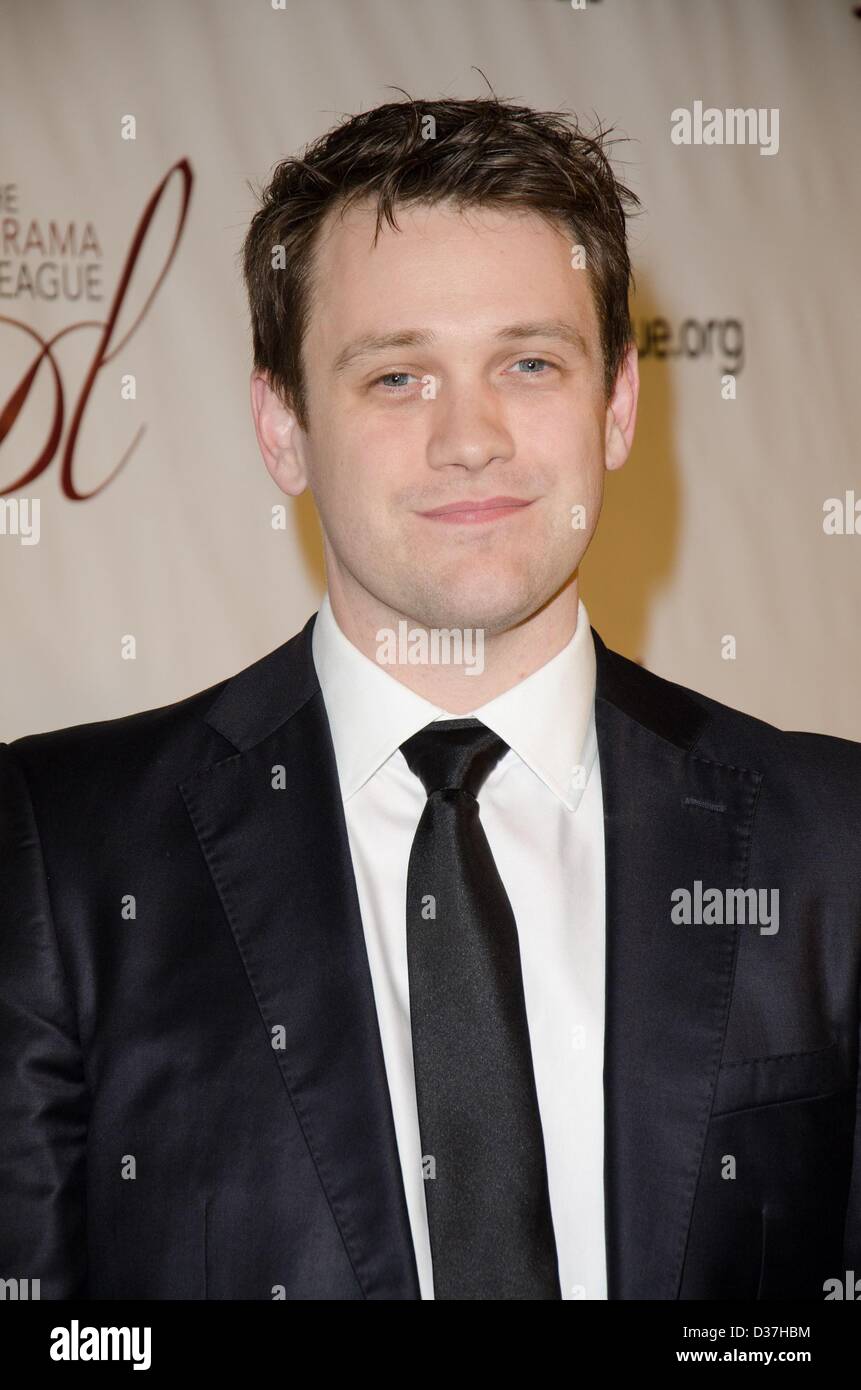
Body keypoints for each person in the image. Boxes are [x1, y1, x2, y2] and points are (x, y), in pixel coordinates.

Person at [1, 95, 859, 1301]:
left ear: (618, 402)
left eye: (529, 362)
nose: (472, 436)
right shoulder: (62, 848)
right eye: (398, 375)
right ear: (283, 426)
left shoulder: (831, 838)